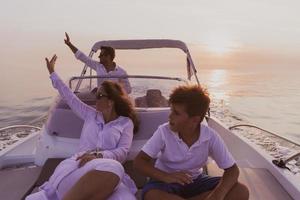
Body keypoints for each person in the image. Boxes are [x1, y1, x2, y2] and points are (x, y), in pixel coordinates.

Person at [26, 55, 138, 200]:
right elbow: (69, 96)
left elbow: (122, 152)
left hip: (108, 172)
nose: (94, 98)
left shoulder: (125, 123)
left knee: (125, 194)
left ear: (110, 101)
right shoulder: (89, 114)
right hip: (79, 166)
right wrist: (52, 73)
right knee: (115, 168)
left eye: (99, 95)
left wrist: (99, 156)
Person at [134, 85, 249, 200]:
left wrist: (217, 195)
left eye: (176, 113)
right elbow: (139, 161)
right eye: (171, 110)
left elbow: (232, 170)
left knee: (240, 191)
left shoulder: (210, 136)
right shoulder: (164, 132)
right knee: (152, 195)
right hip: (164, 182)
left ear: (194, 120)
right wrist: (166, 176)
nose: (170, 116)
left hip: (195, 181)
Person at [64, 32, 132, 94]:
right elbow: (83, 57)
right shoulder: (98, 66)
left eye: (101, 55)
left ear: (108, 56)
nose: (99, 57)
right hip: (100, 98)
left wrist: (113, 91)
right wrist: (69, 44)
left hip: (114, 101)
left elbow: (128, 90)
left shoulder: (121, 72)